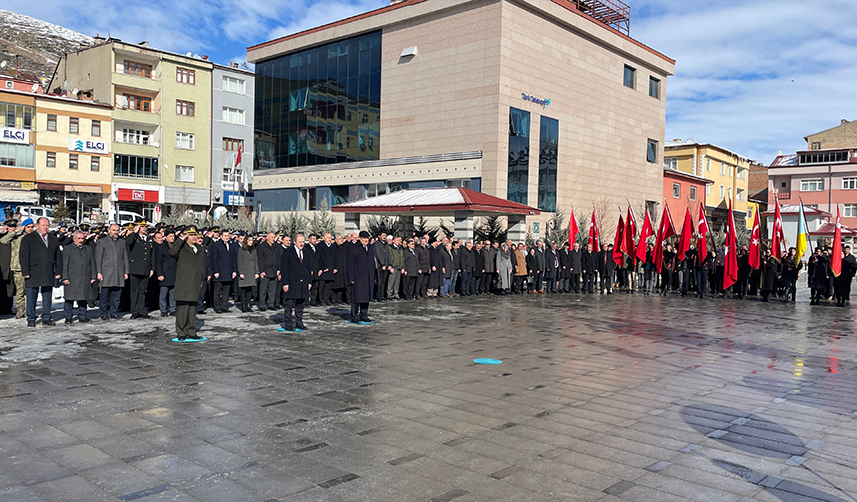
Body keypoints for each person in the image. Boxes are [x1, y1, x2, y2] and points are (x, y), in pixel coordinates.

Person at [19, 217, 61, 327]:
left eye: (47, 225)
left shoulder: (53, 238)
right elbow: (23, 256)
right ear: (37, 226)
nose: (46, 227)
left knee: (47, 295)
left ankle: (46, 316)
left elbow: (58, 256)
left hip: (48, 271)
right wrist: (25, 271)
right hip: (33, 271)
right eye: (43, 225)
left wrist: (58, 271)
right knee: (31, 296)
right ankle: (31, 318)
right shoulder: (28, 238)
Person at [170, 226, 206, 342]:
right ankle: (181, 332)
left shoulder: (199, 249)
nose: (194, 237)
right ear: (186, 236)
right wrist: (180, 240)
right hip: (184, 282)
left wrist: (201, 280)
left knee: (192, 309)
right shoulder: (181, 248)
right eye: (191, 235)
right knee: (183, 308)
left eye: (195, 234)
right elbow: (171, 252)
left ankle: (191, 331)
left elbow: (201, 266)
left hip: (195, 283)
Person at [61, 231, 96, 323]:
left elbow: (92, 263)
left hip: (85, 276)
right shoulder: (68, 249)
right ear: (74, 239)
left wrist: (93, 276)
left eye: (82, 238)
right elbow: (64, 264)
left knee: (83, 297)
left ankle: (82, 316)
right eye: (79, 238)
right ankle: (68, 317)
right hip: (72, 277)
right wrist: (65, 277)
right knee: (69, 298)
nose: (81, 240)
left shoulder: (88, 249)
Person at [279, 233, 311, 331]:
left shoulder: (306, 252)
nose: (302, 244)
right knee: (289, 305)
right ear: (294, 242)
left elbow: (308, 268)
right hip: (291, 282)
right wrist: (285, 283)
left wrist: (309, 281)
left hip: (303, 283)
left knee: (300, 306)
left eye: (303, 242)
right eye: (300, 242)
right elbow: (284, 268)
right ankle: (288, 324)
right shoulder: (288, 252)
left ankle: (299, 323)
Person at [1, 218, 31, 318]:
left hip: (25, 267)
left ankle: (26, 310)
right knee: (17, 291)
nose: (13, 228)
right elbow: (3, 240)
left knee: (24, 290)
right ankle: (18, 310)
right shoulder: (14, 237)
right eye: (10, 227)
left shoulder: (28, 237)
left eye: (14, 226)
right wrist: (15, 231)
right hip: (13, 267)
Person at [126, 221, 154, 319]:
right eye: (142, 227)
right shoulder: (134, 237)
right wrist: (134, 232)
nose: (144, 228)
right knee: (134, 291)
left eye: (145, 227)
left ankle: (142, 311)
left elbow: (151, 255)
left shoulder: (148, 238)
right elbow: (128, 243)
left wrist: (151, 268)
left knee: (143, 291)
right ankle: (134, 312)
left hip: (145, 269)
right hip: (135, 268)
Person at [348, 230, 375, 324]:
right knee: (356, 297)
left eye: (367, 238)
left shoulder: (370, 248)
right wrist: (351, 277)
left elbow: (372, 262)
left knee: (366, 297)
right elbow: (350, 264)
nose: (366, 240)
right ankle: (354, 315)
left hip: (367, 277)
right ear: (360, 238)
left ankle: (363, 314)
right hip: (358, 276)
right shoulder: (354, 248)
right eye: (364, 238)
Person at [210, 230, 238, 313]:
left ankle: (224, 306)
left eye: (228, 235)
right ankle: (217, 307)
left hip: (229, 271)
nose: (227, 237)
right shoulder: (216, 245)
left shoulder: (231, 245)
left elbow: (234, 259)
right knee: (217, 291)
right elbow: (214, 259)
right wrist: (215, 271)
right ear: (221, 236)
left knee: (226, 291)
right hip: (219, 271)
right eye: (225, 235)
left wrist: (234, 271)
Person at [255, 232, 281, 311]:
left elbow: (279, 259)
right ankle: (262, 304)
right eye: (272, 237)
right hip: (265, 271)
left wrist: (279, 269)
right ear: (267, 238)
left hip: (274, 271)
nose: (273, 239)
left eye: (274, 237)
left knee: (272, 290)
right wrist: (261, 271)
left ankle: (270, 304)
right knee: (263, 289)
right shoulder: (262, 247)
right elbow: (260, 259)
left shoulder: (276, 247)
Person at [155, 230, 177, 317]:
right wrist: (159, 274)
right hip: (165, 272)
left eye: (173, 236)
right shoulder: (162, 247)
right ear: (166, 237)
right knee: (163, 293)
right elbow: (158, 262)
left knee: (173, 293)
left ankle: (173, 309)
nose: (172, 238)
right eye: (170, 236)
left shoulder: (175, 246)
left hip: (174, 272)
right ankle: (163, 310)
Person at [237, 234, 260, 312]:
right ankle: (243, 305)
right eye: (249, 240)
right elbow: (239, 262)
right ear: (246, 241)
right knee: (243, 289)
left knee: (249, 289)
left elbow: (256, 261)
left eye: (252, 240)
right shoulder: (241, 250)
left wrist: (257, 272)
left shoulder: (254, 250)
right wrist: (241, 272)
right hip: (244, 271)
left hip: (251, 271)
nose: (251, 242)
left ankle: (248, 305)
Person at [318, 233, 336, 305]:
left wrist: (335, 267)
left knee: (329, 286)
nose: (329, 239)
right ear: (324, 238)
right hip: (324, 269)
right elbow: (319, 258)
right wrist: (322, 268)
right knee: (322, 285)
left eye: (330, 237)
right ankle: (321, 300)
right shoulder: (320, 246)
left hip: (331, 268)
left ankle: (326, 299)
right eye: (328, 237)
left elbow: (335, 258)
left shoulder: (332, 246)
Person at [332, 234, 349, 304]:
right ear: (336, 240)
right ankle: (333, 298)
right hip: (336, 268)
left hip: (344, 268)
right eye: (339, 239)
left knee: (342, 284)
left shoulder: (345, 247)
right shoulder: (333, 247)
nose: (341, 240)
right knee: (336, 284)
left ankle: (339, 298)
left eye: (342, 238)